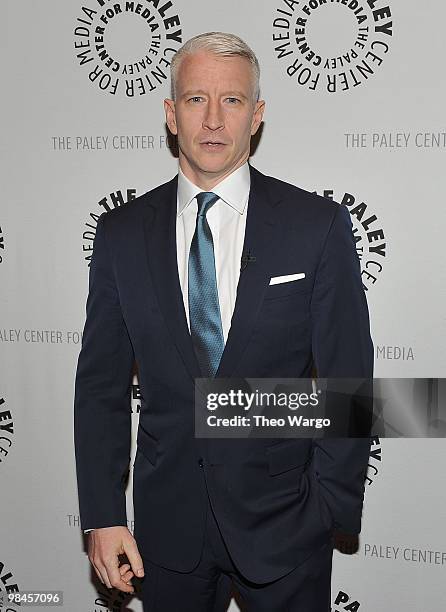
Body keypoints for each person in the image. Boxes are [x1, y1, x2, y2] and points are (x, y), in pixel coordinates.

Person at [74, 31, 373, 612]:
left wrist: (329, 509)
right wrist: (104, 516)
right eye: (195, 99)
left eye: (232, 100)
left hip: (286, 526)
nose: (213, 119)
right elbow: (102, 387)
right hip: (165, 532)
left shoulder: (318, 226)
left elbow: (348, 381)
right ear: (170, 113)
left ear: (256, 115)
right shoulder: (120, 234)